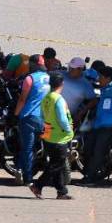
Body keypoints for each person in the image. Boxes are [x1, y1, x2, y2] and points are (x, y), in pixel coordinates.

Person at [81, 65, 112, 184]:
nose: (99, 80)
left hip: (110, 126)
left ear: (107, 78)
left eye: (101, 77)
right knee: (87, 148)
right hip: (98, 125)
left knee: (98, 151)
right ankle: (89, 173)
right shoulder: (105, 88)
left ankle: (90, 177)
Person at [30, 72, 74, 200]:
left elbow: (42, 116)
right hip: (59, 136)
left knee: (56, 163)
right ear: (62, 84)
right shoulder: (58, 99)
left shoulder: (47, 98)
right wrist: (68, 130)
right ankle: (38, 185)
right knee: (57, 164)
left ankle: (62, 191)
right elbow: (62, 118)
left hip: (49, 134)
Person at [13, 55, 51, 184]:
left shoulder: (29, 79)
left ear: (32, 65)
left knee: (27, 148)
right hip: (47, 120)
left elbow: (23, 99)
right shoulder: (50, 78)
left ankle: (27, 177)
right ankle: (52, 177)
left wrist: (16, 114)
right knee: (49, 146)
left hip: (29, 118)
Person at [60, 57, 94, 126]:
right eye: (70, 67)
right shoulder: (60, 74)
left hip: (67, 118)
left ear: (80, 69)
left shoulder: (86, 84)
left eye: (72, 68)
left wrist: (80, 114)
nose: (70, 70)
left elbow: (93, 100)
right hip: (51, 114)